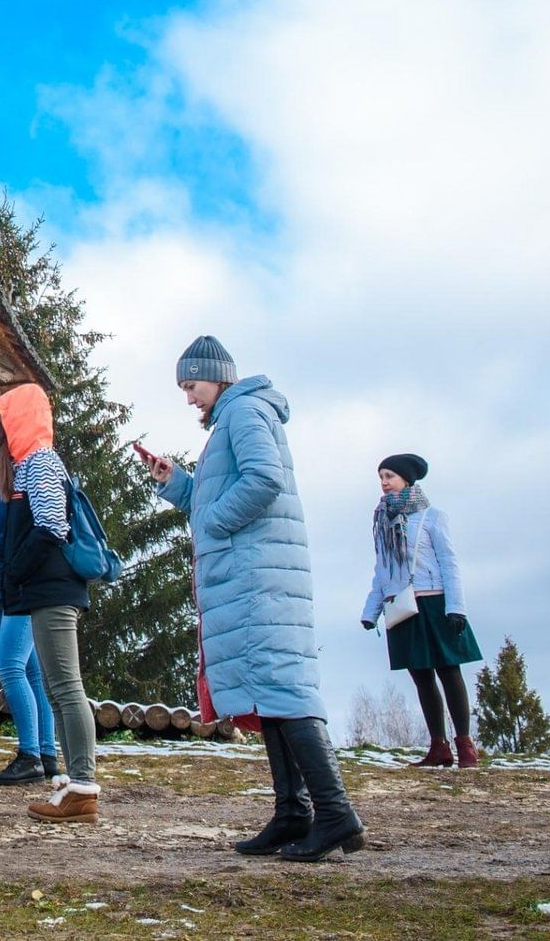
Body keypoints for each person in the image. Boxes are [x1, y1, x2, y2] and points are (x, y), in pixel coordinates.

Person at [142, 335, 365, 862]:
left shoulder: (243, 414)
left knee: (284, 691)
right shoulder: (233, 419)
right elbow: (218, 494)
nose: (189, 397)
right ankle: (294, 813)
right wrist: (178, 484)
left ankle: (335, 815)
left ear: (217, 377)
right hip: (251, 575)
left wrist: (213, 524)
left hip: (258, 577)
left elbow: (263, 480)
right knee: (271, 694)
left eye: (191, 385)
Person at [0, 385, 98, 823]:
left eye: (4, 418)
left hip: (54, 590)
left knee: (67, 687)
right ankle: (73, 781)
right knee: (55, 687)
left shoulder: (40, 462)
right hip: (44, 590)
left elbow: (52, 523)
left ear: (20, 418)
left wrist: (16, 566)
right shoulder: (30, 464)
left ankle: (84, 786)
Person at [361, 453, 483, 768]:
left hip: (435, 602)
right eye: (381, 477)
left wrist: (456, 608)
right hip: (401, 605)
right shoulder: (382, 520)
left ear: (406, 479)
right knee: (421, 678)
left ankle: (465, 746)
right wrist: (370, 611)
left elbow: (449, 563)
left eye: (389, 476)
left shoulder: (432, 517)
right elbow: (382, 570)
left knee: (448, 671)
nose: (384, 483)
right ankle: (438, 746)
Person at [0, 424, 55, 786]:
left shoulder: (21, 492)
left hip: (17, 594)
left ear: (6, 451)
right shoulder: (0, 497)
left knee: (9, 666)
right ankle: (46, 752)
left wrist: (9, 574)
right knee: (32, 672)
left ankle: (30, 754)